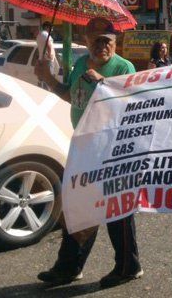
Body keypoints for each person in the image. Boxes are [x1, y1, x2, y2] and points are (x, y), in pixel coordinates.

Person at [35, 17, 143, 289]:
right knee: (78, 206)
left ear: (115, 43)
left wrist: (104, 83)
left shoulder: (123, 67)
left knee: (116, 209)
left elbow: (131, 105)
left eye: (107, 40)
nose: (101, 45)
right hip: (84, 145)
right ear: (86, 40)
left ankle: (129, 266)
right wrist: (48, 78)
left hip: (113, 146)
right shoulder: (81, 64)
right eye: (96, 40)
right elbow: (72, 96)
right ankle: (69, 267)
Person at [35, 22, 57, 89]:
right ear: (47, 27)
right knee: (48, 81)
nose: (52, 29)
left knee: (42, 81)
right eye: (51, 28)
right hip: (47, 61)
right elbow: (49, 46)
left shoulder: (39, 35)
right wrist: (50, 55)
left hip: (41, 59)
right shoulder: (46, 35)